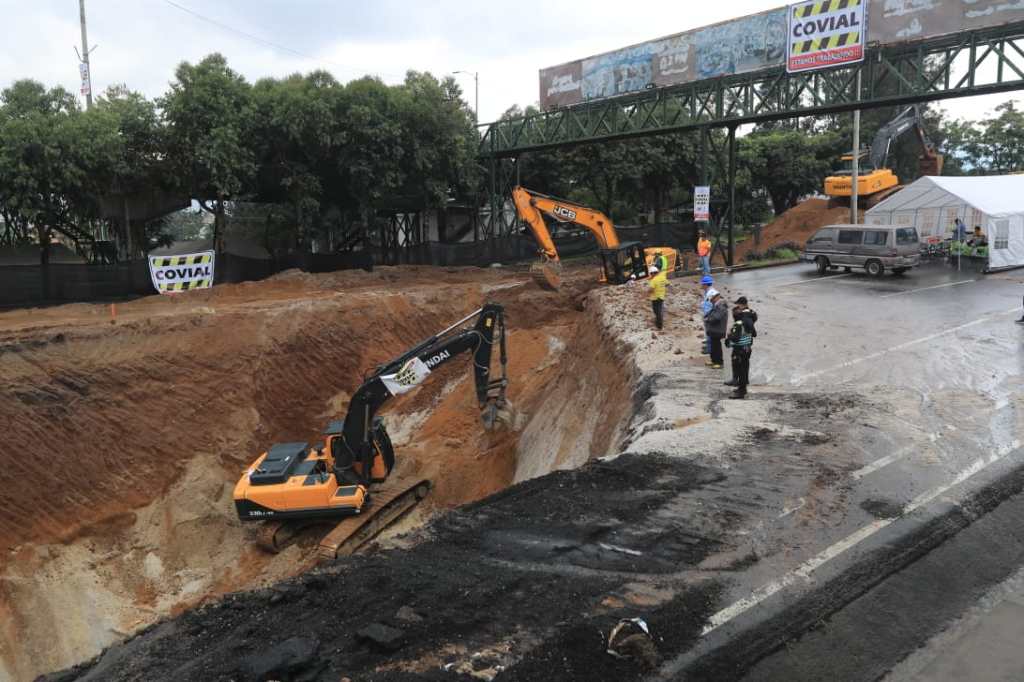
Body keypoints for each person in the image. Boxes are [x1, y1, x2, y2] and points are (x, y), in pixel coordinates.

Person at [725, 297, 757, 399]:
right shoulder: (749, 319)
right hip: (747, 347)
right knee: (744, 368)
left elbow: (734, 339)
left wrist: (729, 335)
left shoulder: (741, 323)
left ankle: (741, 391)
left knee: (741, 369)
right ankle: (741, 388)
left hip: (741, 349)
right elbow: (754, 333)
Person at [704, 289, 728, 369]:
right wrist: (707, 317)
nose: (711, 301)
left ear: (715, 297)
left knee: (717, 347)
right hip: (714, 330)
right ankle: (714, 360)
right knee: (714, 346)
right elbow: (712, 314)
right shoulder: (717, 305)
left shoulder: (721, 305)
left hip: (718, 330)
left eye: (711, 299)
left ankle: (719, 362)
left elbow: (717, 317)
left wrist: (708, 319)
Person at [648, 264, 668, 330]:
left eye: (651, 274)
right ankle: (659, 321)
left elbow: (651, 289)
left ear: (652, 273)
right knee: (659, 309)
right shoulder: (662, 277)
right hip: (661, 296)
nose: (650, 275)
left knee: (656, 311)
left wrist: (647, 292)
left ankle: (659, 325)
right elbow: (667, 284)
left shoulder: (654, 280)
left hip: (655, 298)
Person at [700, 275, 714, 354]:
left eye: (702, 284)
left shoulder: (710, 293)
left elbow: (709, 306)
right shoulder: (708, 292)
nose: (701, 285)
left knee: (709, 332)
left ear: (706, 284)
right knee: (708, 332)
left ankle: (709, 348)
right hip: (707, 314)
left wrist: (706, 317)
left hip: (709, 315)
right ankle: (709, 345)